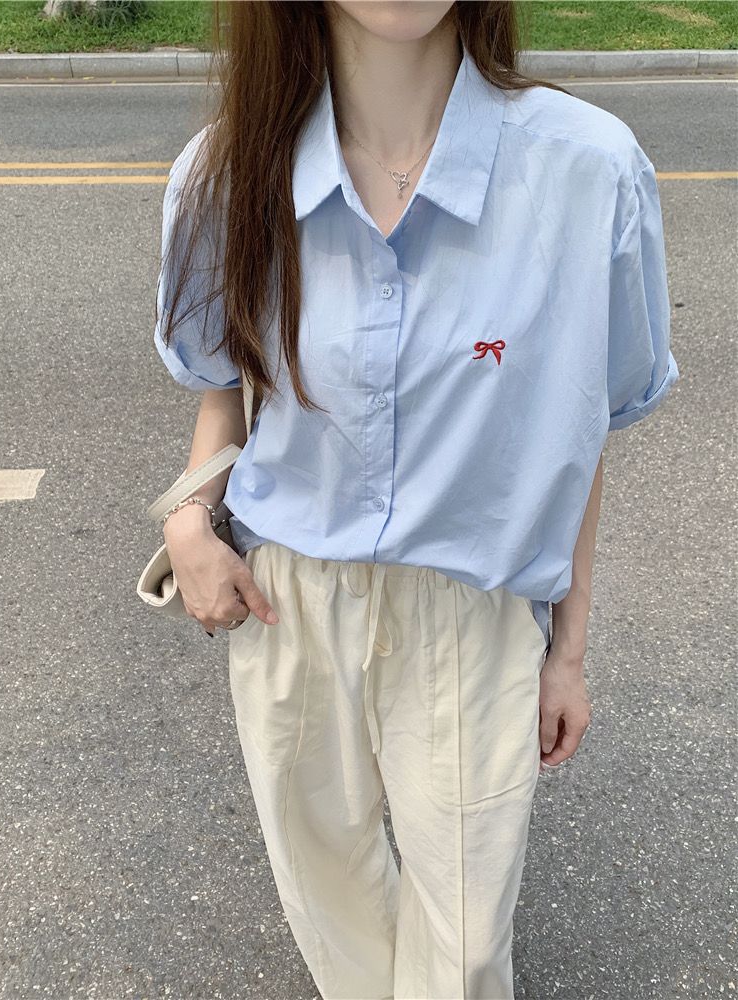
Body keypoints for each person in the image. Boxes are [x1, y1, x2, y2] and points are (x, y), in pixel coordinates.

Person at [152, 2, 679, 997]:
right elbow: (227, 382)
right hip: (290, 604)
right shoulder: (224, 172)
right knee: (328, 894)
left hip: (473, 612)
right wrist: (188, 520)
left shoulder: (590, 170)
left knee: (469, 939)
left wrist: (567, 650)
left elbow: (581, 425)